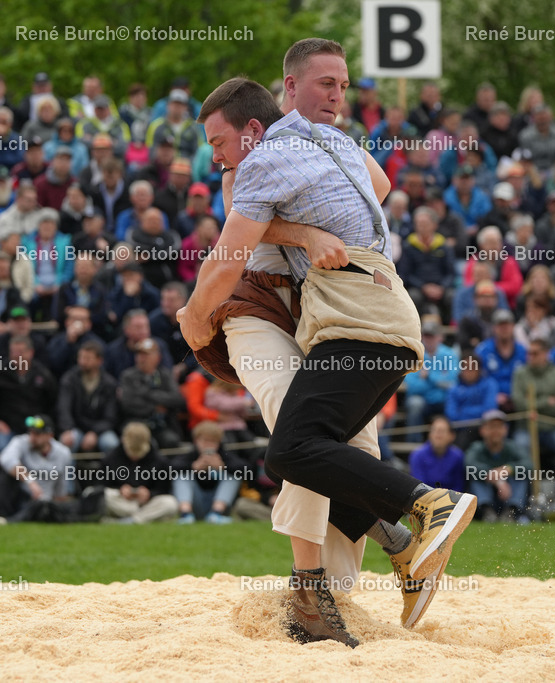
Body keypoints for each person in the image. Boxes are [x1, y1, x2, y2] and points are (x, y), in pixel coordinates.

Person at [182, 74, 476, 646]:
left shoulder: (309, 144)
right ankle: (314, 588)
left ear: (255, 128)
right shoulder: (240, 171)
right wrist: (196, 320)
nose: (212, 154)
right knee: (298, 433)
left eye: (218, 140)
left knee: (349, 446)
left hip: (319, 308)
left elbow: (379, 185)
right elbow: (234, 250)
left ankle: (354, 577)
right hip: (257, 307)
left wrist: (321, 178)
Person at [511, 338, 555, 495]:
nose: (530, 356)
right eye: (528, 353)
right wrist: (547, 401)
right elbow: (518, 403)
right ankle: (522, 498)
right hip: (525, 428)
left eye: (535, 353)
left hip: (551, 428)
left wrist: (533, 404)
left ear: (545, 354)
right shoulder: (520, 373)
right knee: (520, 447)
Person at [98, 421, 179, 524]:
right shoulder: (110, 458)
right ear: (123, 441)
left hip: (147, 504)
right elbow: (102, 486)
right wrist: (121, 490)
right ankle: (143, 518)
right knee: (104, 497)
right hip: (123, 503)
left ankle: (129, 521)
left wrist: (149, 494)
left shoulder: (160, 461)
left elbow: (164, 489)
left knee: (170, 503)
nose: (135, 456)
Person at [170, 420, 248, 524]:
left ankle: (216, 514)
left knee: (232, 475)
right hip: (195, 504)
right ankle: (186, 515)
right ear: (196, 441)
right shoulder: (190, 456)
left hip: (219, 504)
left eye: (213, 441)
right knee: (182, 476)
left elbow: (247, 469)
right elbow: (169, 468)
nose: (209, 445)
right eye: (205, 441)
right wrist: (193, 467)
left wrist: (223, 467)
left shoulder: (224, 455)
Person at [465, 410, 532, 523]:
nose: (495, 431)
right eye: (492, 427)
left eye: (499, 427)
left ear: (505, 429)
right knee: (476, 476)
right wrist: (497, 479)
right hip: (489, 493)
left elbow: (529, 465)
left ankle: (511, 511)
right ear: (483, 430)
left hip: (508, 494)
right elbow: (469, 464)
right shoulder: (477, 447)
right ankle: (486, 512)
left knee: (520, 475)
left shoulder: (512, 447)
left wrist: (508, 469)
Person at [56, 339, 120, 454]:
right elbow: (63, 408)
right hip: (75, 427)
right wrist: (67, 429)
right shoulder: (69, 379)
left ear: (99, 361)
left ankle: (108, 473)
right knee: (66, 443)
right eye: (81, 357)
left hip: (100, 430)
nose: (82, 362)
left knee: (112, 444)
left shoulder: (109, 384)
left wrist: (95, 432)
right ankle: (67, 473)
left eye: (88, 358)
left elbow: (111, 417)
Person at [408, 416, 465, 492]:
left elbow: (458, 486)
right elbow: (419, 487)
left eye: (442, 431)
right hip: (425, 499)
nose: (438, 434)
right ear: (429, 434)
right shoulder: (417, 455)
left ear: (451, 436)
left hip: (451, 500)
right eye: (434, 430)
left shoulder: (458, 456)